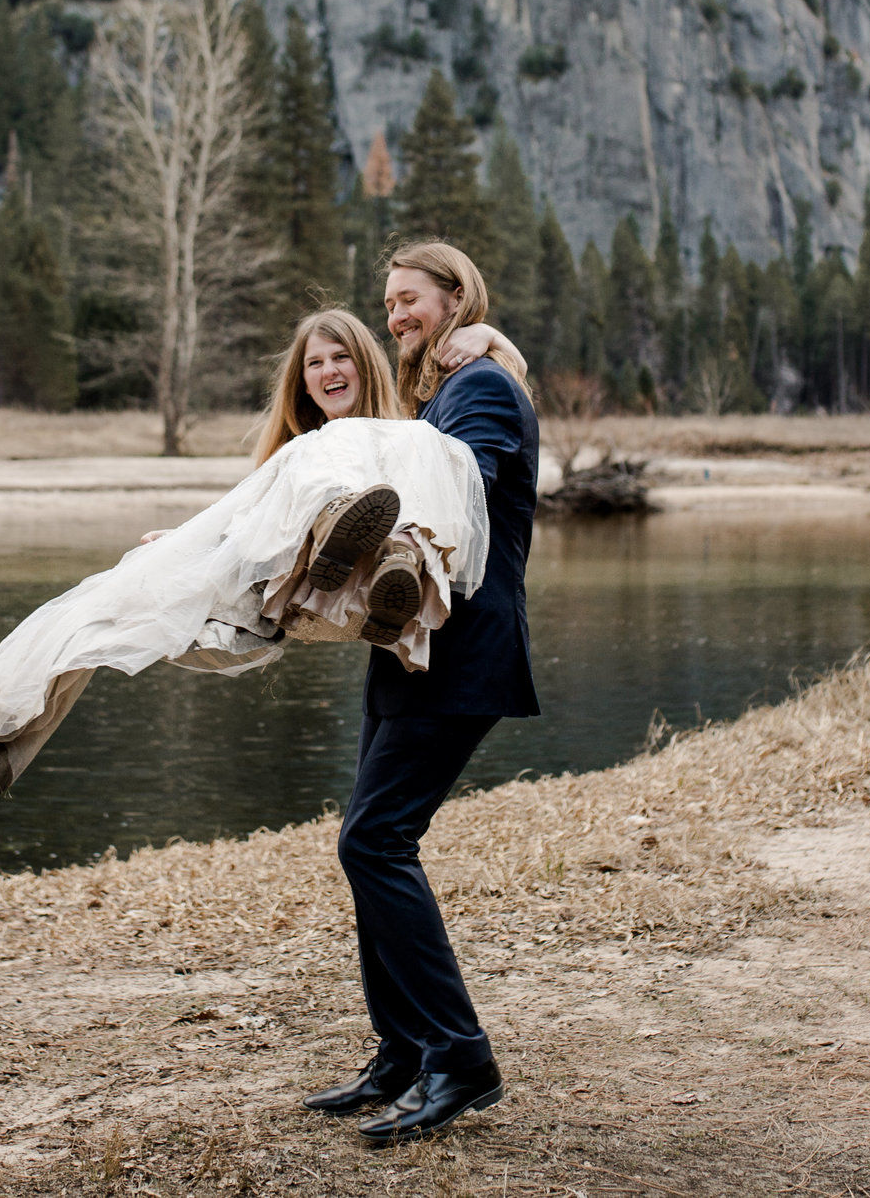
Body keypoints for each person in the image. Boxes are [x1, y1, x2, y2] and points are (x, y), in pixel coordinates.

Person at [0, 307, 518, 794]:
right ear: (303, 383)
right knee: (109, 608)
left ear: (366, 363)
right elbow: (243, 521)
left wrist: (492, 336)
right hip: (289, 593)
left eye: (340, 357)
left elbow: (497, 406)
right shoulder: (304, 452)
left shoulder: (412, 433)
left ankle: (389, 557)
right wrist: (188, 543)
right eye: (315, 363)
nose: (328, 370)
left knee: (366, 463)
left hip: (367, 596)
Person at [304, 240, 538, 1147]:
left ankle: (460, 1055)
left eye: (411, 298)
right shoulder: (445, 390)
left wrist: (495, 351)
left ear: (456, 296)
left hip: (463, 651)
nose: (396, 313)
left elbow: (462, 489)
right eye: (389, 301)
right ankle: (402, 1049)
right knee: (371, 837)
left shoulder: (477, 387)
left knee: (374, 839)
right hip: (409, 652)